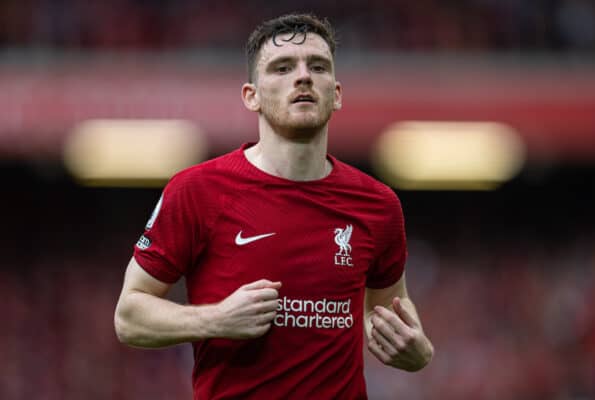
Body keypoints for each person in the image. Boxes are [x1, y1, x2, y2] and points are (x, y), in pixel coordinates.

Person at [114, 13, 434, 399]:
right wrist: (216, 318)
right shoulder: (198, 190)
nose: (303, 77)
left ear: (336, 93)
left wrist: (419, 351)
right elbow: (129, 316)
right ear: (251, 96)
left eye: (318, 67)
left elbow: (387, 309)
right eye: (282, 68)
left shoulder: (378, 206)